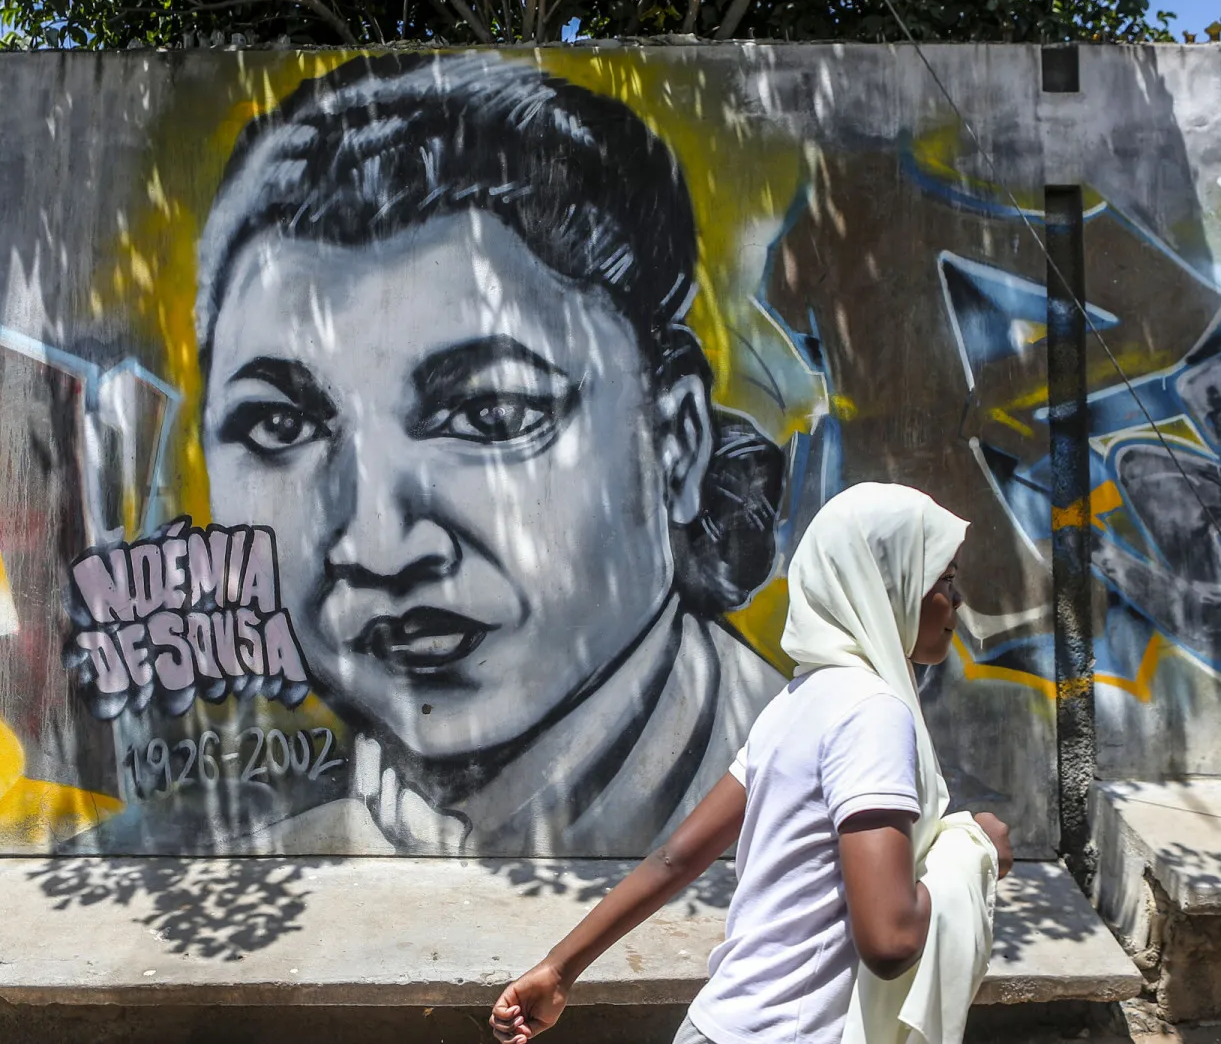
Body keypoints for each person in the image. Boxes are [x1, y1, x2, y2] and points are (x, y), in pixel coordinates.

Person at [192, 52, 789, 856]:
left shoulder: (804, 807)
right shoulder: (291, 855)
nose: (378, 546)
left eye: (492, 414)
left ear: (675, 444)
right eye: (280, 426)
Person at [490, 483, 1014, 1044]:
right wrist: (975, 853)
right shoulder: (873, 713)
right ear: (888, 584)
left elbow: (673, 859)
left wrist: (559, 968)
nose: (957, 600)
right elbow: (890, 941)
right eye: (944, 579)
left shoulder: (797, 702)